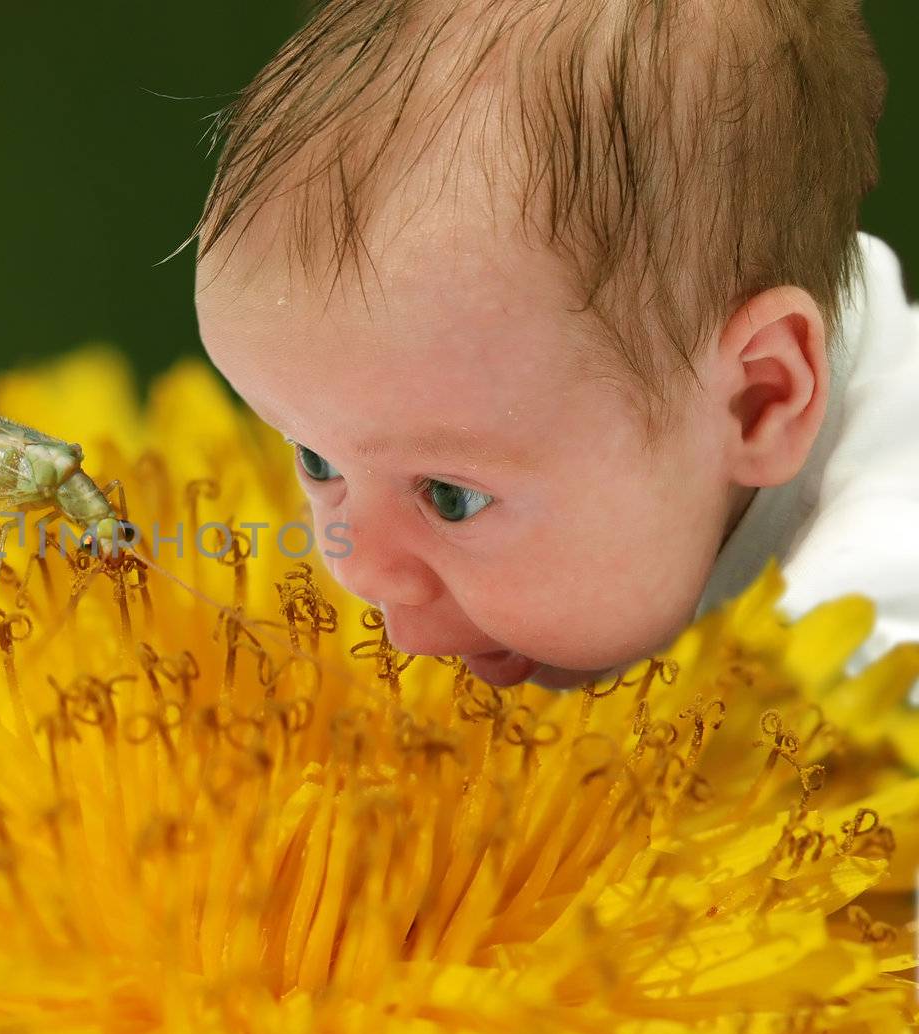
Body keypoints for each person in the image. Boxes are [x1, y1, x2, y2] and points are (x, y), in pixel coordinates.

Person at [190, 0, 918, 699]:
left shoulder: (872, 638)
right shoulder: (664, 371)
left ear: (758, 401)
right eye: (317, 460)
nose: (360, 570)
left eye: (451, 496)